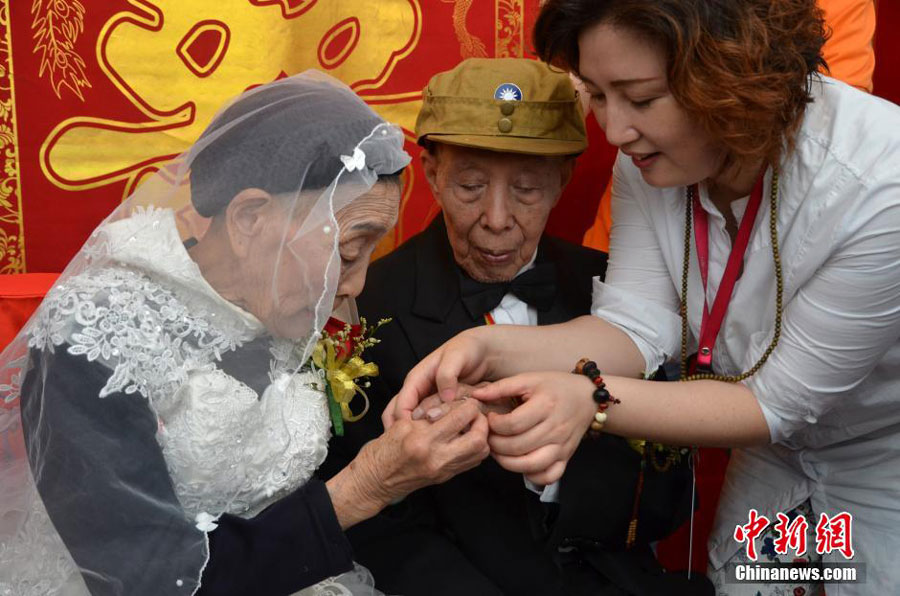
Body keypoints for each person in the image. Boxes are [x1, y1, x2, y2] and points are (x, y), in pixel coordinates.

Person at [384, 2, 900, 595]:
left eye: (642, 98)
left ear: (728, 78)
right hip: (777, 463)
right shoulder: (646, 161)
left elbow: (773, 405)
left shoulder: (878, 189)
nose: (614, 131)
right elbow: (633, 330)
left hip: (880, 461)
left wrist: (592, 401)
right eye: (599, 95)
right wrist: (487, 346)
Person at [0, 72, 492, 596]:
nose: (355, 283)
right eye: (349, 251)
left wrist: (415, 436)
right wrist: (364, 486)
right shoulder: (99, 334)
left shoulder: (283, 300)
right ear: (249, 219)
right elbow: (146, 577)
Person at [320, 57, 707, 596]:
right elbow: (379, 530)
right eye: (471, 186)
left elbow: (668, 492)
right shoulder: (366, 310)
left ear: (563, 180)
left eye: (526, 190)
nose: (497, 218)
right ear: (431, 172)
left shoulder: (619, 298)